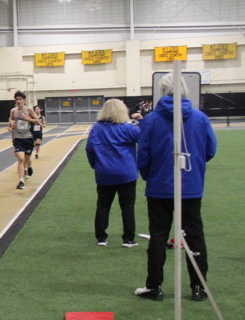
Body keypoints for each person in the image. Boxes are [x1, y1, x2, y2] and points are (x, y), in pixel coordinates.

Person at [135, 73, 217, 302]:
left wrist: (149, 176)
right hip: (190, 186)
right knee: (195, 236)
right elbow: (210, 149)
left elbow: (143, 155)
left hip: (159, 187)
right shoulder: (200, 118)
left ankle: (154, 286)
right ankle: (199, 287)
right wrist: (195, 168)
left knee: (158, 236)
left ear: (162, 91)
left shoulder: (151, 120)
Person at [86, 99, 140, 248]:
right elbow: (144, 136)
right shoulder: (127, 128)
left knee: (103, 205)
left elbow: (89, 149)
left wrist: (96, 165)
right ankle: (128, 238)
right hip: (126, 173)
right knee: (127, 206)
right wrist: (142, 120)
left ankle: (101, 237)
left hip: (104, 173)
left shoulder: (97, 128)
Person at [8, 90, 39, 190]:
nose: (18, 101)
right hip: (18, 138)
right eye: (16, 99)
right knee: (21, 159)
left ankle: (29, 165)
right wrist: (11, 125)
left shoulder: (29, 110)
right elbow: (11, 120)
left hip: (28, 138)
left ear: (24, 100)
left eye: (20, 99)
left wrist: (27, 118)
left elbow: (37, 120)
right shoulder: (13, 111)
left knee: (27, 159)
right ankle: (21, 181)